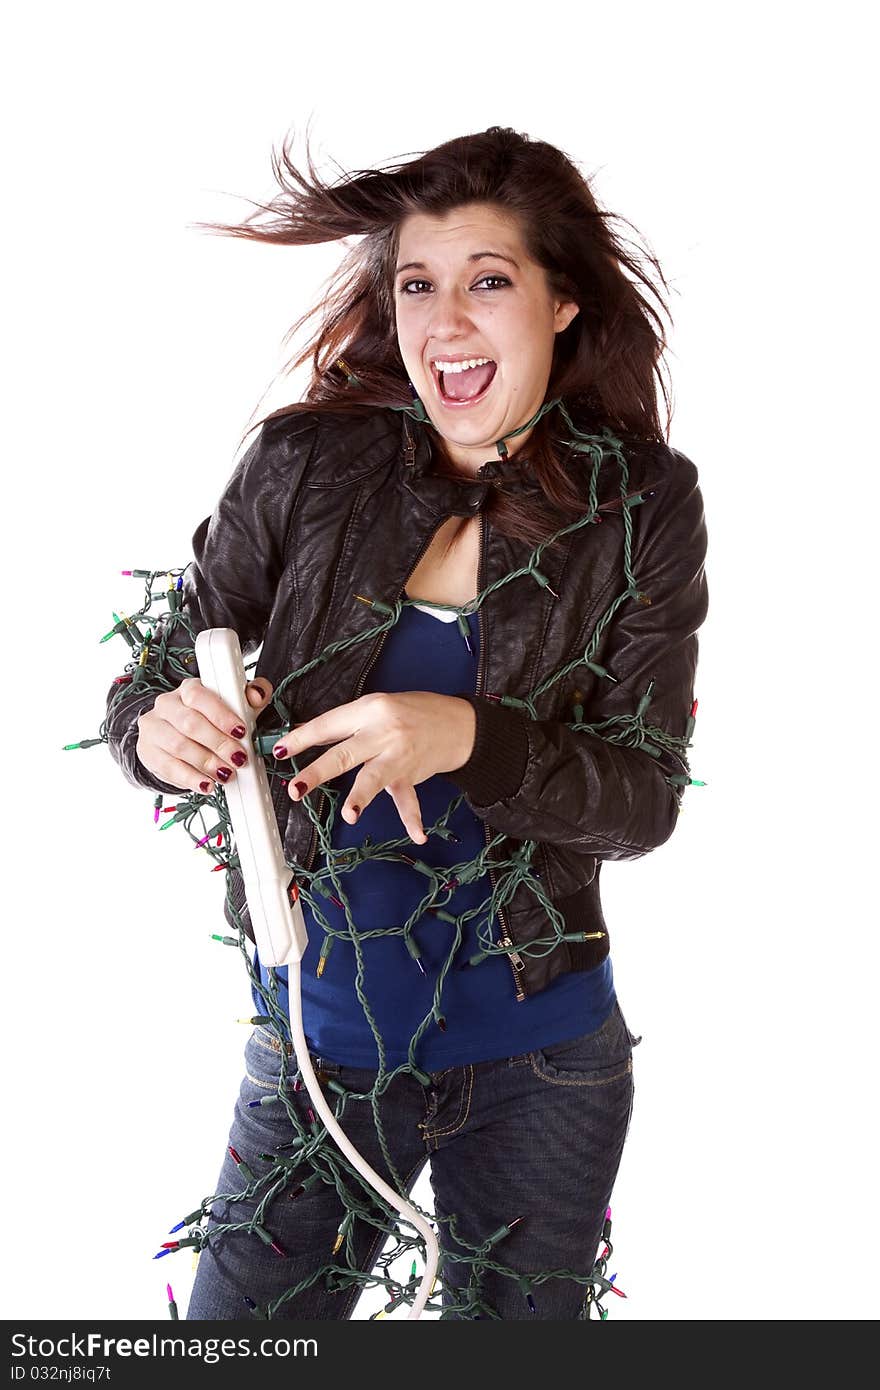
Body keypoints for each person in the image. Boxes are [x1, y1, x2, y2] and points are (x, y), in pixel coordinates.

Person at [105, 125, 709, 1320]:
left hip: (544, 1062)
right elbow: (167, 663)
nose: (444, 324)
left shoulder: (643, 505)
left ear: (563, 301)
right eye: (416, 284)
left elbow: (642, 800)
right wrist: (153, 728)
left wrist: (464, 735)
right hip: (320, 1045)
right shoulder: (303, 462)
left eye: (488, 282)